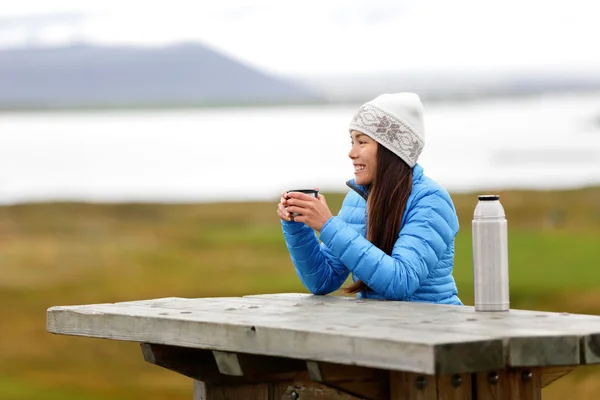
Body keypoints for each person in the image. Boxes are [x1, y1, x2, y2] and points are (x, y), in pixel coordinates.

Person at [277, 93, 462, 305]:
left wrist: (328, 225)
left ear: (391, 150)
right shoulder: (358, 200)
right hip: (380, 329)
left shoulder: (431, 201)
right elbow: (322, 280)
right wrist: (298, 226)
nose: (351, 153)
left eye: (362, 142)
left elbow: (400, 281)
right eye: (352, 141)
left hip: (435, 329)